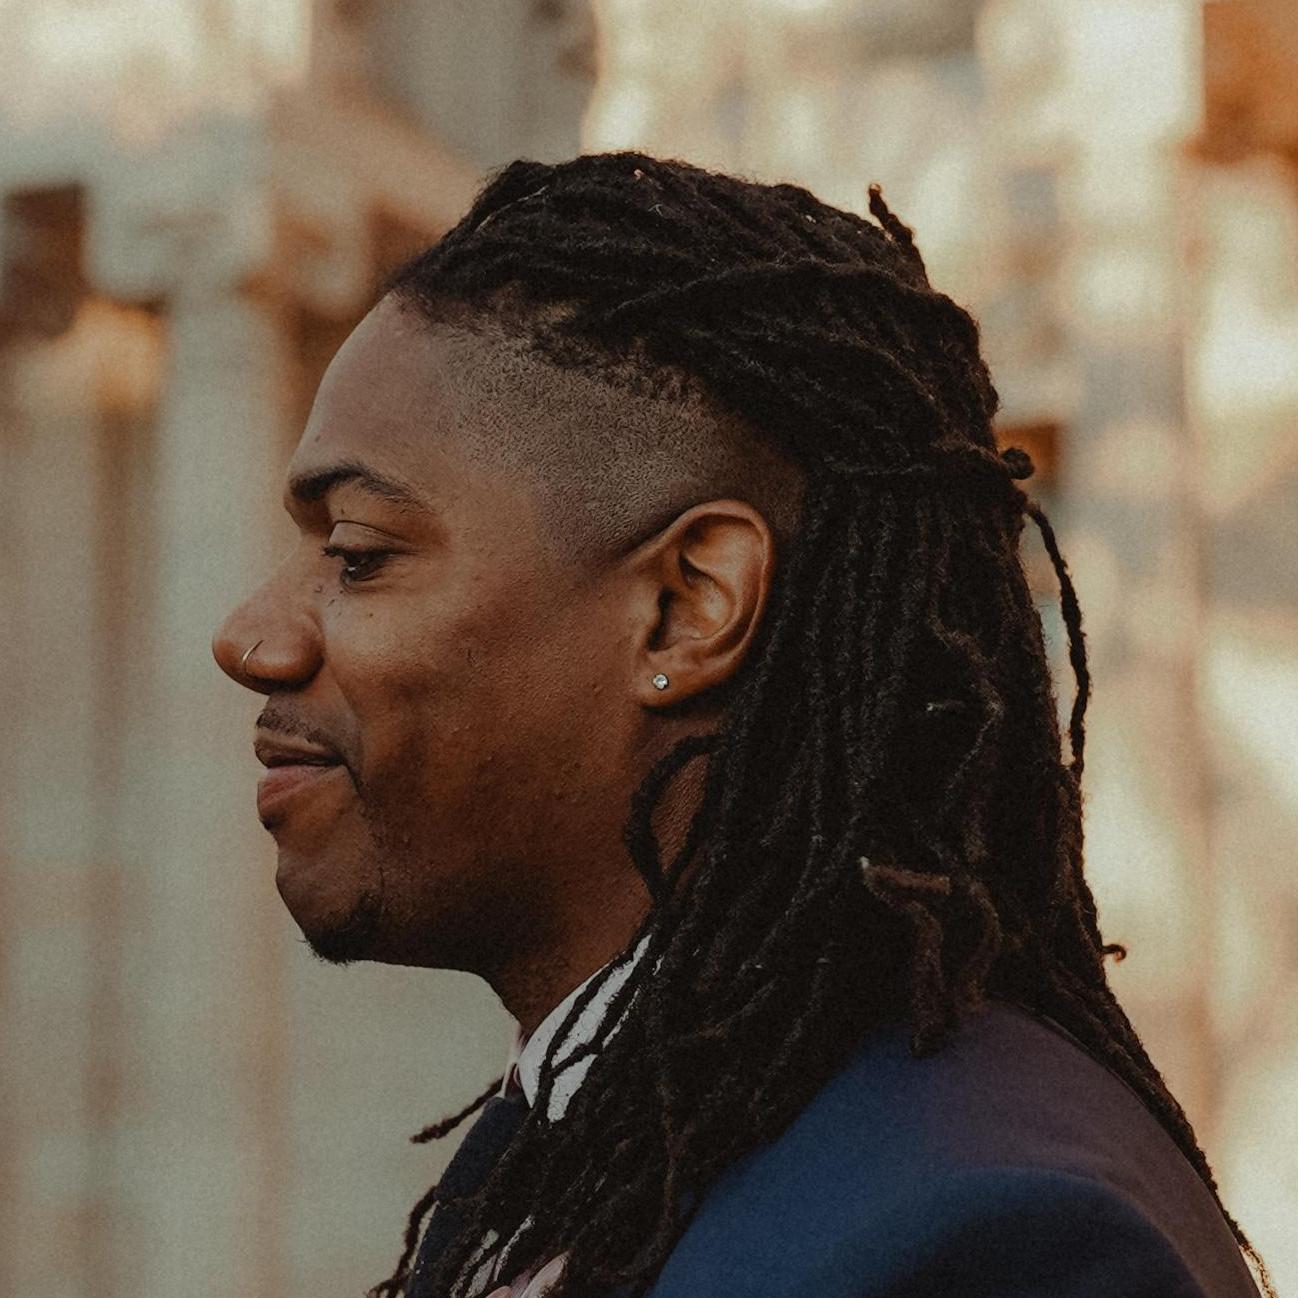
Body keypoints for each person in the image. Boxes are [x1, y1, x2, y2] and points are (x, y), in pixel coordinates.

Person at [211, 152, 1271, 1298]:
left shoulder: (984, 1235)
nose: (249, 637)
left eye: (358, 554)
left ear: (684, 607)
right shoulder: (589, 1147)